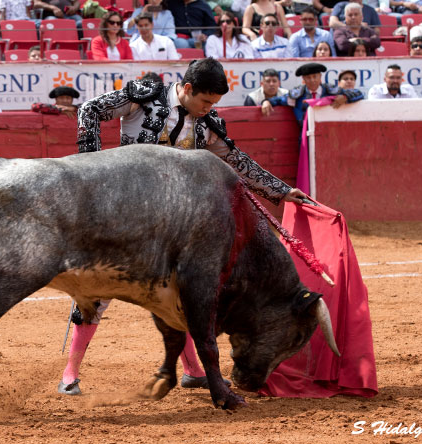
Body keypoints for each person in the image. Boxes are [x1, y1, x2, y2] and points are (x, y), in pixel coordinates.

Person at [58, 58, 308, 395]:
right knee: (98, 288)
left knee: (184, 292)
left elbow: (237, 162)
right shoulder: (145, 98)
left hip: (175, 225)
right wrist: (91, 166)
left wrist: (281, 190)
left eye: (214, 104)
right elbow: (89, 109)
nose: (208, 109)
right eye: (205, 101)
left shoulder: (207, 124)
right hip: (127, 211)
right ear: (187, 89)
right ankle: (69, 375)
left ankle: (192, 370)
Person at [261, 62, 364, 124]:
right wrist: (266, 101)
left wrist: (346, 96)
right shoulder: (297, 95)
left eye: (315, 76)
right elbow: (277, 100)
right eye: (308, 78)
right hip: (306, 136)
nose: (312, 80)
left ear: (320, 77)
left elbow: (358, 93)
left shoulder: (332, 91)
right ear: (303, 79)